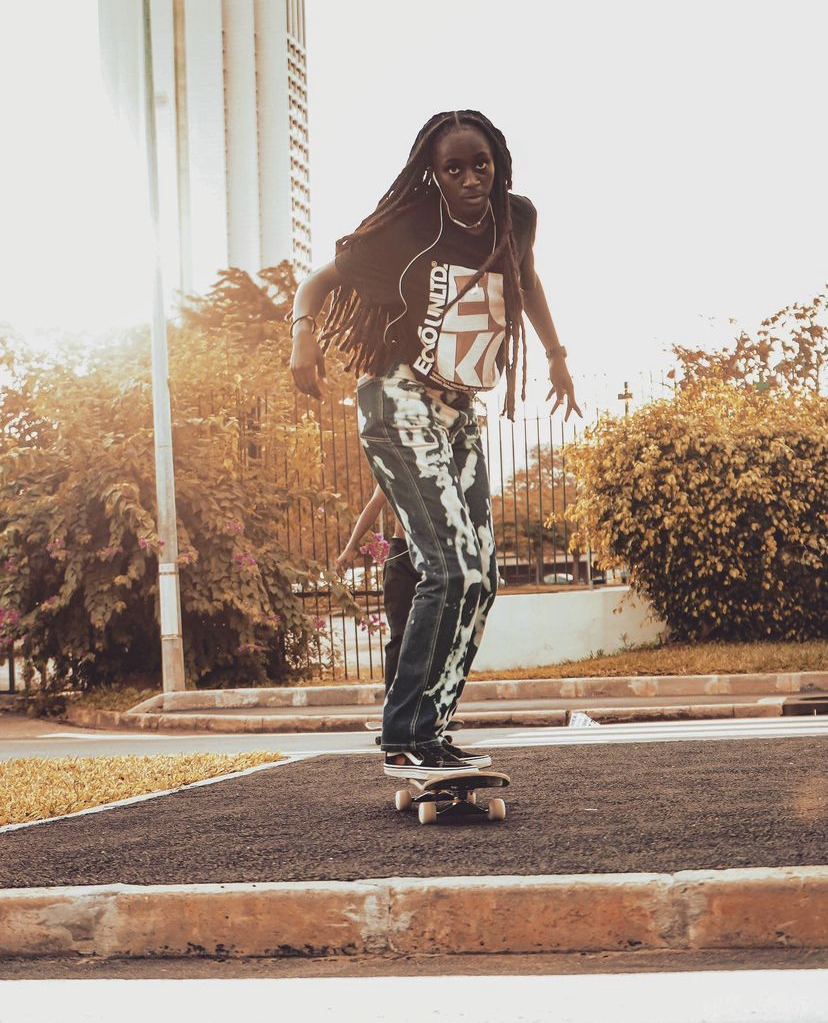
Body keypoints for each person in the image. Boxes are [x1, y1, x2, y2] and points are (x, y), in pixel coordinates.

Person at [291, 109, 581, 779]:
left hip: (457, 408)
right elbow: (318, 282)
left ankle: (434, 731)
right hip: (397, 397)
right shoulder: (411, 225)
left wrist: (557, 355)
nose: (471, 179)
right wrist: (303, 333)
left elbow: (526, 279)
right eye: (455, 168)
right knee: (446, 566)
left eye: (481, 164)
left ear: (498, 162)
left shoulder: (518, 217)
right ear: (435, 172)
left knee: (483, 576)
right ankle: (402, 736)